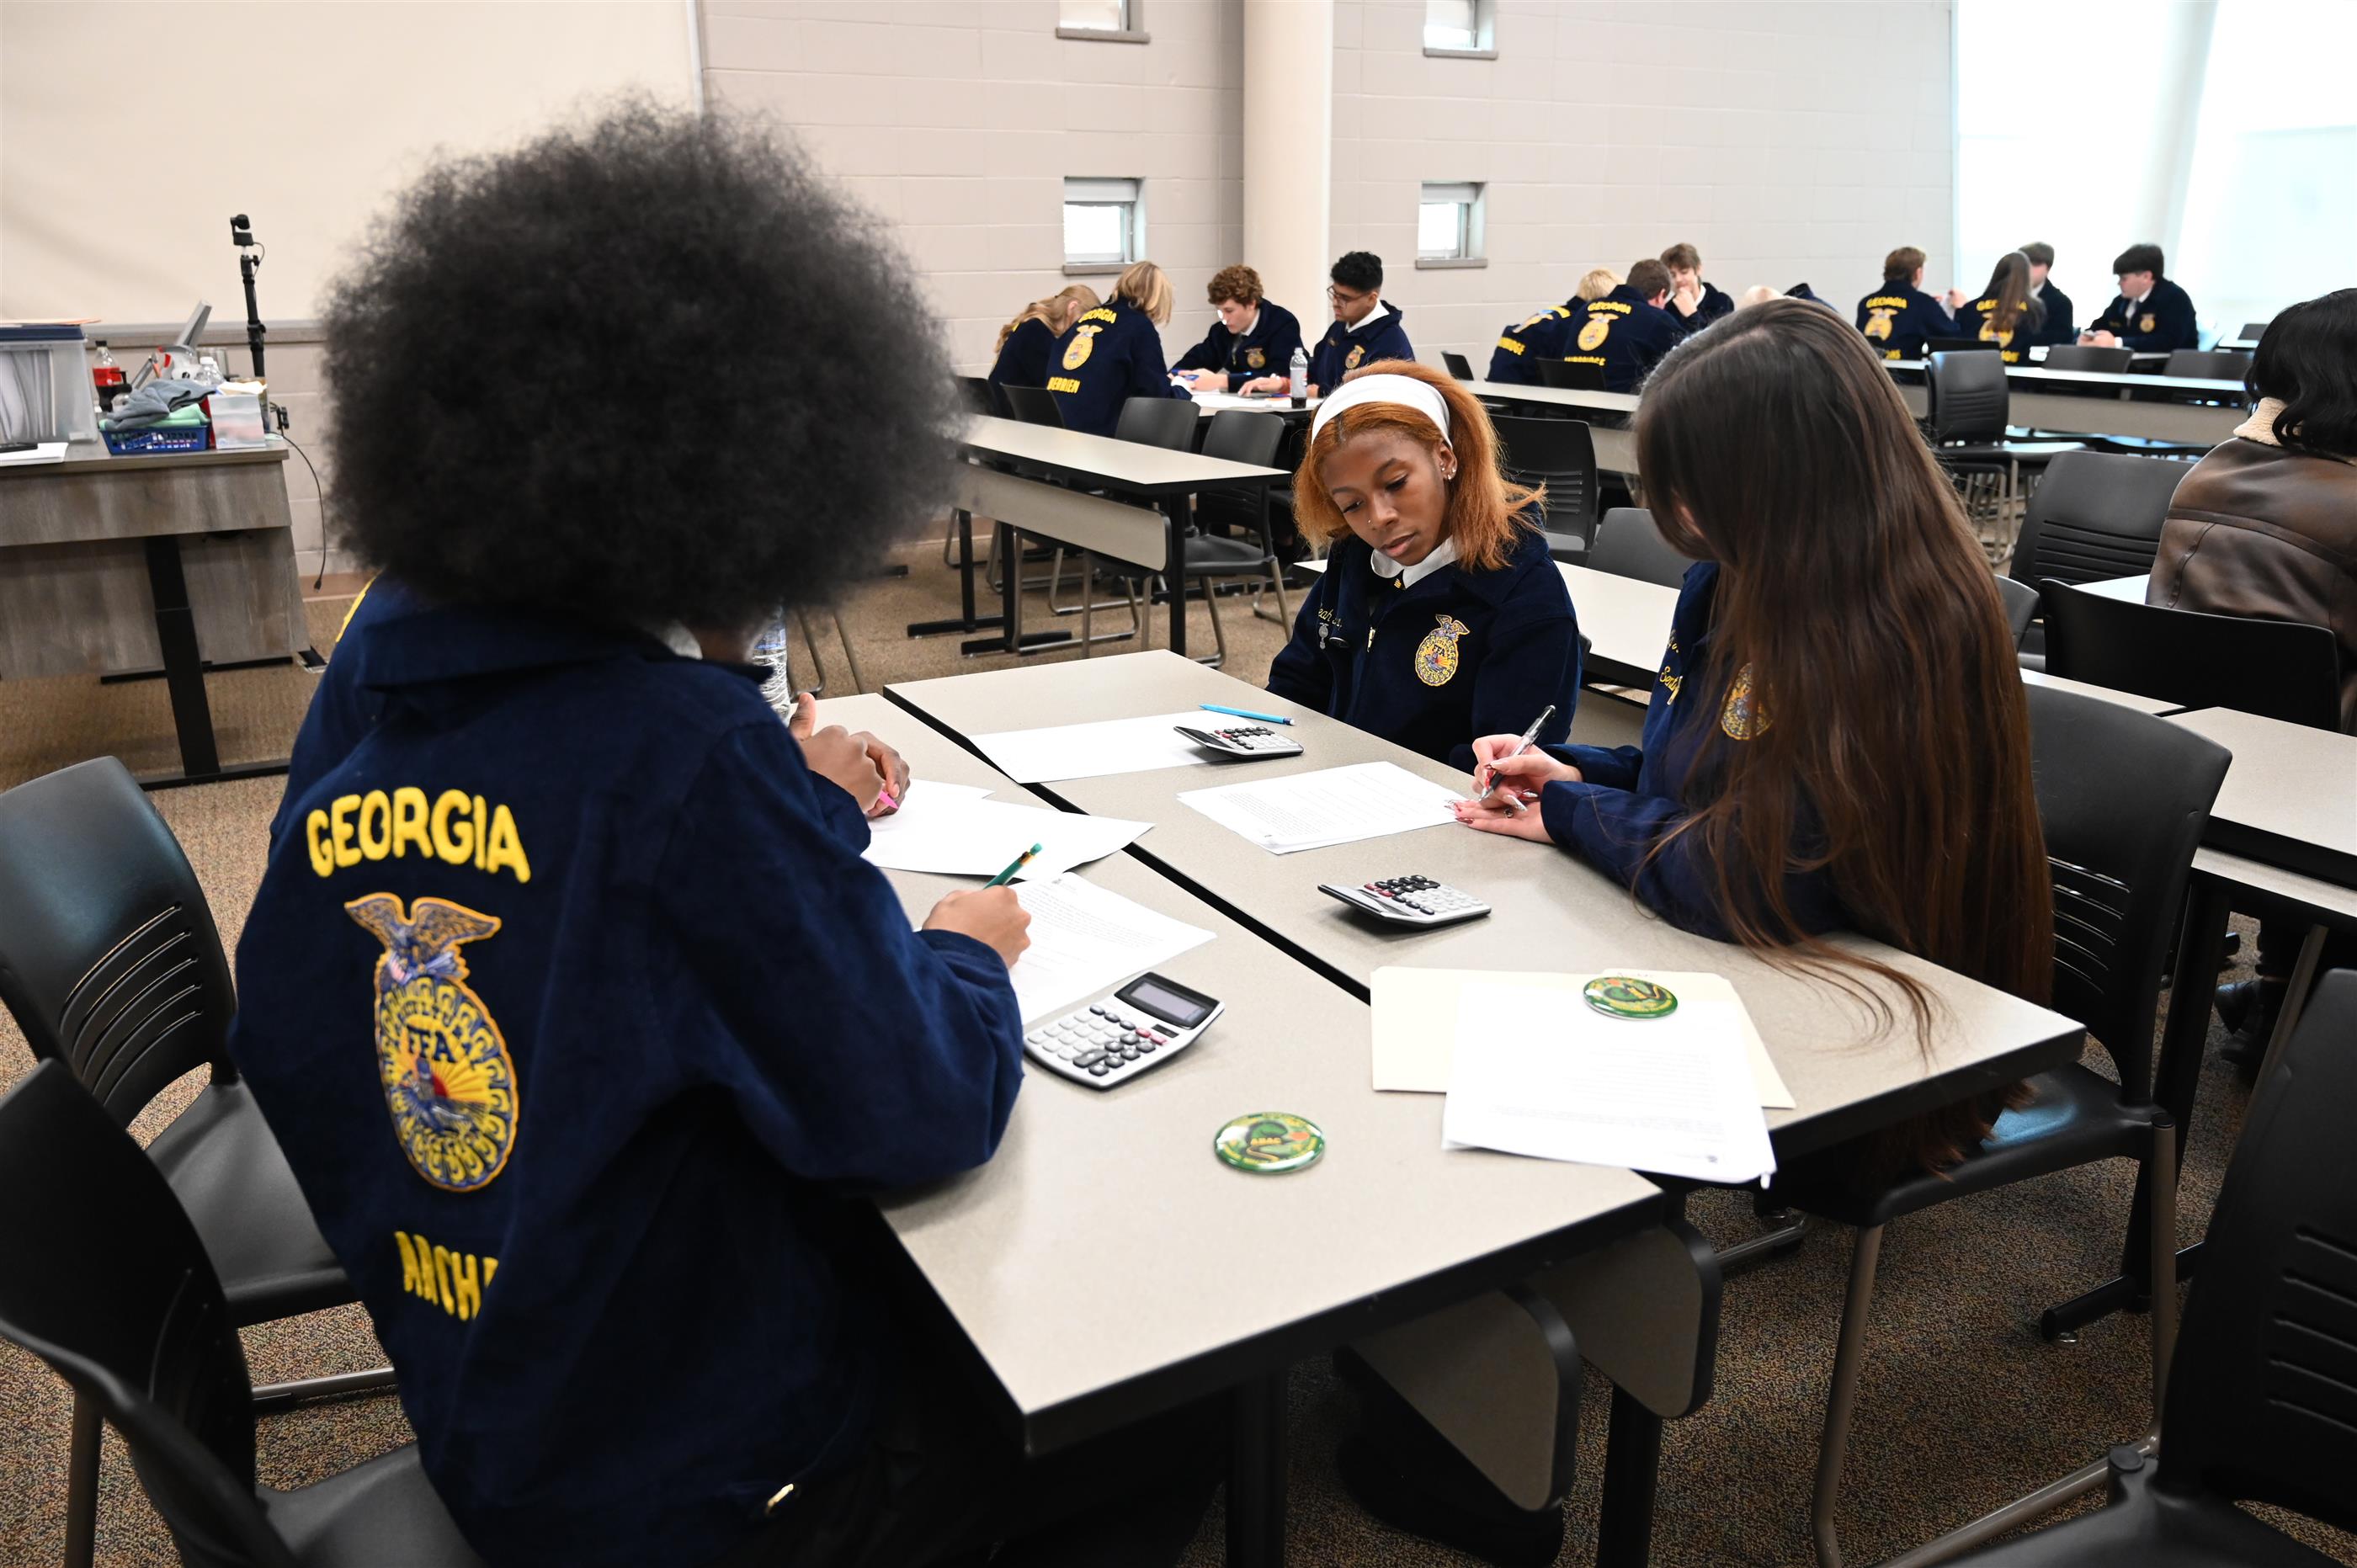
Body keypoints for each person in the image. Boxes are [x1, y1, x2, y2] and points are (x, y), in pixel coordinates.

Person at [228, 104, 1216, 1568]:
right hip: (708, 1482)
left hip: (492, 1404)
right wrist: (966, 953)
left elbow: (329, 1022)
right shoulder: (682, 750)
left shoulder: (381, 727)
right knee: (1171, 1404)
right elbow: (917, 1105)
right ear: (740, 493)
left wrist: (788, 811)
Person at [1454, 299, 2053, 1181]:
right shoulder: (1736, 575)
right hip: (1750, 951)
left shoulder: (1895, 629)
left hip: (1881, 1028)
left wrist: (1577, 815)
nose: (1680, 514)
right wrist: (1571, 772)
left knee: (1537, 1124)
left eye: (1696, 489)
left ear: (1783, 480)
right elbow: (1698, 777)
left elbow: (1758, 871)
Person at [2147, 289, 2357, 1055]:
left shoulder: (2207, 471)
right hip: (2314, 787)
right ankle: (2296, 998)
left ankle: (2276, 991)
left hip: (2194, 757)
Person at [1266, 359, 1581, 771]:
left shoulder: (1526, 597)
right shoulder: (1354, 558)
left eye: (1396, 483)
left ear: (1445, 457)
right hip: (1329, 781)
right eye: (1352, 504)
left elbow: (1502, 771)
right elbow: (1296, 682)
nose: (1378, 518)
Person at [1045, 259, 1194, 437]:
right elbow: (1159, 400)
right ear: (1158, 298)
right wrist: (1181, 388)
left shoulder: (1084, 319)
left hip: (1058, 433)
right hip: (1098, 439)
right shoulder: (1138, 326)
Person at [1244, 250, 1413, 396]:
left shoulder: (1391, 342)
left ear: (1371, 298)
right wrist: (1285, 383)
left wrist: (1322, 392)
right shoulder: (1341, 326)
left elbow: (1375, 398)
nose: (1335, 303)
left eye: (1345, 298)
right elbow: (1317, 370)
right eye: (1334, 294)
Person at [1558, 258, 1684, 394]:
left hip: (1570, 400)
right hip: (1619, 404)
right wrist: (1692, 316)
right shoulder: (1657, 318)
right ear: (1660, 295)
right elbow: (1688, 362)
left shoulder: (1586, 309)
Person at [1170, 263, 1303, 391]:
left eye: (1229, 311)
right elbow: (1198, 358)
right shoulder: (1221, 331)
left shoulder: (1282, 324)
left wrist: (1224, 381)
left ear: (1251, 304)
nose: (1224, 319)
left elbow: (1281, 375)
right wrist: (1174, 375)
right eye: (1220, 311)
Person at [987, 283, 1099, 401]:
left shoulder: (1035, 328)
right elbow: (1055, 384)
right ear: (1072, 307)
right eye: (1083, 321)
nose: (1082, 329)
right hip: (1006, 411)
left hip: (1005, 408)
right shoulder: (1034, 332)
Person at [2081, 242, 2198, 352]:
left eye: (2124, 278)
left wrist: (2117, 342)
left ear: (2146, 277)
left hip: (2166, 365)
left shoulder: (2175, 299)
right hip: (2127, 363)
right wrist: (2088, 337)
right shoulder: (2121, 301)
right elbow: (2101, 326)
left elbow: (2168, 341)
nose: (2119, 283)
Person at [1854, 247, 1956, 360]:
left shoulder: (1865, 303)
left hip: (1869, 369)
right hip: (1903, 371)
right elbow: (1954, 338)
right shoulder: (1922, 303)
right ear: (1918, 272)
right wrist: (1961, 308)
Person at [1961, 251, 2046, 366]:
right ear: (2026, 277)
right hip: (2018, 374)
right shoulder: (2035, 309)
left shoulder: (1970, 308)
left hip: (1976, 371)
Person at [1660, 242, 1734, 333]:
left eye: (1684, 272)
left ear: (1698, 269)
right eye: (1672, 275)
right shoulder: (1668, 310)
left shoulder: (1722, 302)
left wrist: (1692, 315)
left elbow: (1719, 339)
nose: (1678, 279)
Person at [2019, 241, 2074, 345]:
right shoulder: (2000, 294)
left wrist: (2019, 337)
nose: (2027, 269)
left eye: (2035, 264)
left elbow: (2062, 338)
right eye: (2023, 264)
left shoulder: (2061, 303)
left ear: (2048, 268)